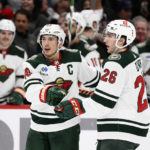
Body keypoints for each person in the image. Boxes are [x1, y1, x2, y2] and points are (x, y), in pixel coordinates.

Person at [24, 24, 100, 150]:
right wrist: (47, 92)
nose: (46, 43)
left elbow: (94, 80)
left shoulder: (75, 57)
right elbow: (31, 93)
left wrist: (85, 96)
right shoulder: (32, 63)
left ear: (60, 42)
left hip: (67, 126)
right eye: (43, 39)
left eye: (51, 39)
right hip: (38, 127)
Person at [89, 19, 150, 150]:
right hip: (134, 127)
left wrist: (72, 106)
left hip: (119, 130)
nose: (105, 40)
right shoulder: (133, 56)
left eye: (110, 36)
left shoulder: (114, 61)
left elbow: (103, 102)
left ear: (121, 41)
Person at [0, 19, 27, 104]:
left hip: (9, 102)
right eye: (3, 33)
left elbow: (22, 78)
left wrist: (18, 93)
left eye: (10, 34)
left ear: (13, 35)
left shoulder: (20, 53)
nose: (6, 37)